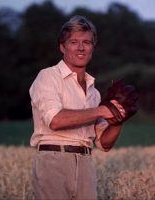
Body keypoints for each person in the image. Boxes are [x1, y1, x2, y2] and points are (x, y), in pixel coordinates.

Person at [29, 15, 126, 200]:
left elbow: (104, 143)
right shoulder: (48, 76)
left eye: (87, 42)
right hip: (53, 160)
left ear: (93, 48)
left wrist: (119, 119)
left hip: (85, 163)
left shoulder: (94, 92)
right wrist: (102, 110)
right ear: (62, 47)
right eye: (74, 42)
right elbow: (55, 120)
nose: (81, 47)